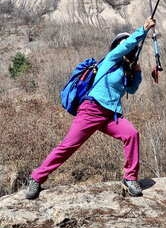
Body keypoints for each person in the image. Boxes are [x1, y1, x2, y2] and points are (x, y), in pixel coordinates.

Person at [26, 17, 156, 199]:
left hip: (112, 115)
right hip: (91, 109)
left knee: (131, 134)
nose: (126, 45)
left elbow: (132, 90)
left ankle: (130, 178)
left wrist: (137, 72)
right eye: (122, 42)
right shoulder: (110, 59)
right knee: (69, 146)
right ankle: (36, 178)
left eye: (128, 43)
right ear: (117, 47)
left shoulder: (124, 70)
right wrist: (143, 29)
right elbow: (126, 46)